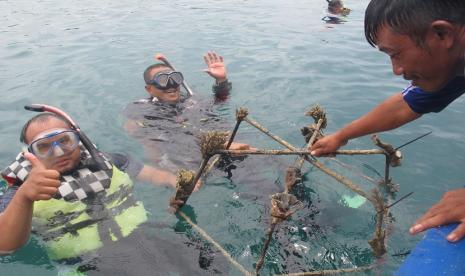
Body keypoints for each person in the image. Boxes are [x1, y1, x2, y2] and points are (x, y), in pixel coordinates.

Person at [311, 0, 465, 241]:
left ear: (442, 33)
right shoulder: (453, 66)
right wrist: (341, 137)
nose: (396, 70)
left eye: (395, 54)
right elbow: (404, 105)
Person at [0, 109, 189, 259]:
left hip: (144, 237)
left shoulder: (108, 161)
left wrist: (179, 182)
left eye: (64, 141)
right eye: (43, 147)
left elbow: (159, 176)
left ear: (78, 139)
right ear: (29, 154)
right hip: (86, 263)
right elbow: (5, 247)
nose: (58, 152)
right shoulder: (20, 191)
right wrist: (25, 197)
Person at [124, 51, 251, 172]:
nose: (171, 84)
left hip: (233, 147)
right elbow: (147, 143)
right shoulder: (141, 110)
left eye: (174, 78)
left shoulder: (192, 99)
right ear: (149, 89)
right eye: (162, 80)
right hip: (198, 161)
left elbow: (220, 101)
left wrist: (221, 80)